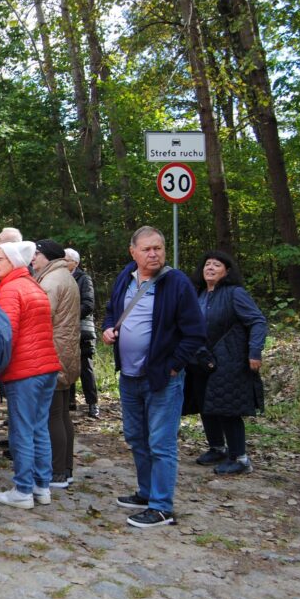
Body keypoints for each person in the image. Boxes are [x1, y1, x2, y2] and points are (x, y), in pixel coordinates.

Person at [102, 226, 205, 527]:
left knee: (161, 442)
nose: (153, 254)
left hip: (162, 378)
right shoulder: (126, 277)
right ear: (133, 252)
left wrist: (174, 364)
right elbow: (112, 311)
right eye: (147, 249)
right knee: (136, 437)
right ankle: (146, 493)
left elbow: (195, 332)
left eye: (158, 248)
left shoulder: (176, 283)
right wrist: (110, 329)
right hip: (129, 375)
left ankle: (161, 507)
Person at [0, 241, 62, 509]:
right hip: (46, 367)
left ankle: (22, 489)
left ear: (13, 262)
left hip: (25, 371)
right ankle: (41, 487)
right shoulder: (33, 285)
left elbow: (6, 334)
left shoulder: (10, 289)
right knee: (39, 428)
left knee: (21, 431)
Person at [184, 250, 267, 475]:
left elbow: (258, 321)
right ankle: (217, 448)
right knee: (206, 405)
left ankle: (240, 458)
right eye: (207, 264)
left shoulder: (235, 293)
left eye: (217, 265)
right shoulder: (198, 294)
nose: (210, 268)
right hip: (201, 360)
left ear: (227, 271)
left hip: (230, 360)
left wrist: (255, 352)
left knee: (228, 409)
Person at [32, 239, 80, 489]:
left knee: (53, 415)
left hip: (54, 352)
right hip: (66, 351)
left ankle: (57, 471)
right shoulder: (64, 275)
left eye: (37, 254)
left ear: (47, 256)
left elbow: (41, 316)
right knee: (61, 414)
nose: (33, 259)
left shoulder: (51, 281)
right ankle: (66, 468)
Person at [66, 248, 100, 419]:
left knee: (85, 367)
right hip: (66, 331)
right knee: (68, 365)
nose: (63, 262)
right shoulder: (62, 278)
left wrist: (69, 316)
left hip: (83, 330)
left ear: (75, 262)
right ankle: (70, 401)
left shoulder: (84, 279)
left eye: (67, 260)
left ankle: (92, 403)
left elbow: (88, 304)